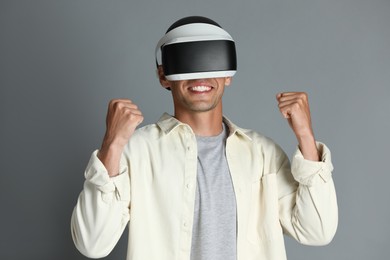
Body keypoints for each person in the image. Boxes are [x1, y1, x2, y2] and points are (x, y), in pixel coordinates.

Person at [71, 16, 338, 260]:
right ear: (164, 76)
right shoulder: (136, 152)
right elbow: (92, 244)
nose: (200, 75)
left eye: (213, 59)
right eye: (186, 62)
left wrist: (305, 136)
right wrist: (112, 144)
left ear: (228, 74)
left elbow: (317, 231)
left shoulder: (263, 154)